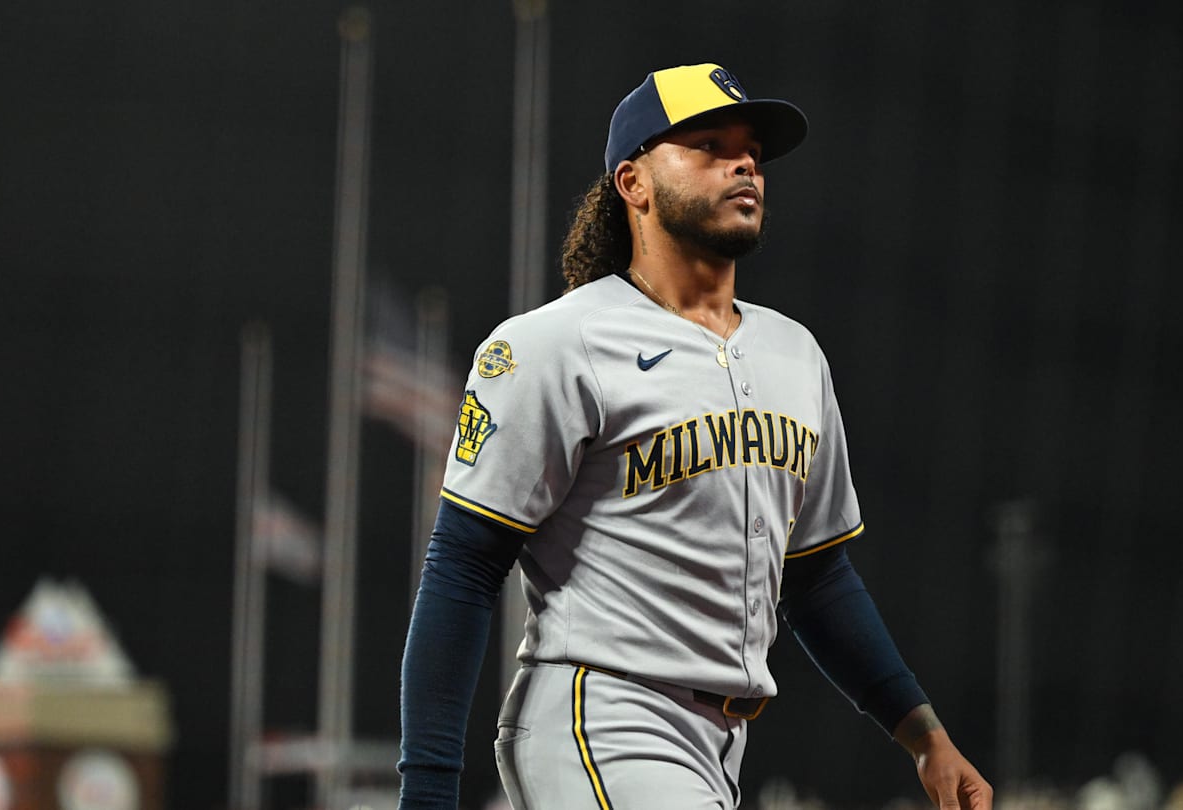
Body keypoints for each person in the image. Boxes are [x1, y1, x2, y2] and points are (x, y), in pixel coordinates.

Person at [398, 62, 993, 810]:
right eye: (709, 145)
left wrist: (926, 737)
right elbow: (464, 564)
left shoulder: (794, 353)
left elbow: (816, 578)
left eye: (752, 152)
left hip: (720, 745)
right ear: (633, 183)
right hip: (599, 718)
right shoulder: (559, 342)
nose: (744, 164)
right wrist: (428, 789)